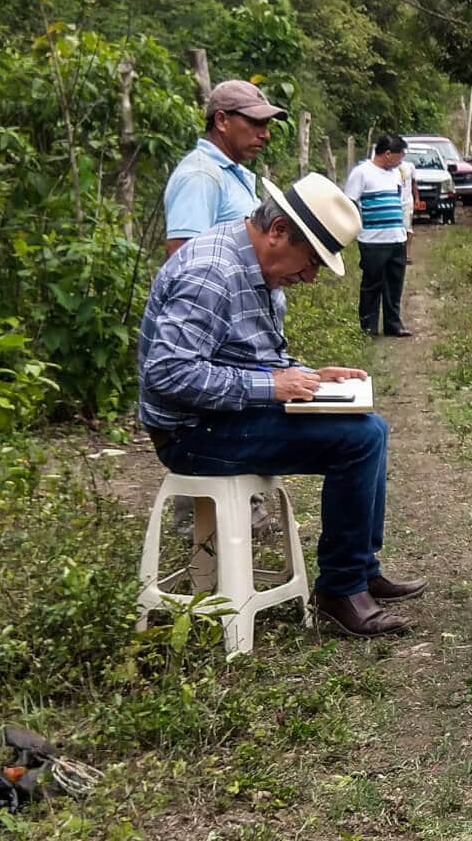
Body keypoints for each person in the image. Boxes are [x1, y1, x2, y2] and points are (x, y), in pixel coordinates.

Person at [139, 173, 425, 637]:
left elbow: (251, 354)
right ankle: (341, 591)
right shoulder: (212, 273)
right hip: (190, 432)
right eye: (311, 261)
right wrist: (273, 387)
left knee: (371, 426)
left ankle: (360, 571)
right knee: (358, 440)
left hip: (224, 414)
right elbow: (168, 375)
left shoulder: (254, 265)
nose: (310, 276)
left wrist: (307, 376)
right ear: (277, 232)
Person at [163, 80, 287, 259]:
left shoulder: (228, 173)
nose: (265, 134)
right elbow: (184, 262)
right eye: (256, 122)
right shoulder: (201, 175)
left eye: (266, 125)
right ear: (221, 120)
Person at [344, 135, 412, 337]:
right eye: (399, 156)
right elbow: (349, 202)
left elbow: (398, 200)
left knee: (394, 284)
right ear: (388, 153)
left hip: (396, 238)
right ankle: (368, 326)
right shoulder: (362, 172)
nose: (401, 160)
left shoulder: (395, 174)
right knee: (372, 284)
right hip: (373, 240)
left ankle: (393, 324)